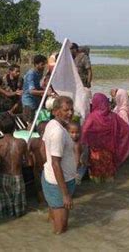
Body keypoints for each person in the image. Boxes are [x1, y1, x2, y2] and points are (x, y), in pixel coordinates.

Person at [41, 96, 76, 234]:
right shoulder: (58, 133)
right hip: (58, 184)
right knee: (61, 229)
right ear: (56, 111)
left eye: (71, 109)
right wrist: (65, 194)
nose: (70, 113)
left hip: (54, 179)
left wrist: (46, 165)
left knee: (55, 219)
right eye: (66, 110)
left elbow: (42, 148)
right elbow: (56, 163)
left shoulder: (52, 124)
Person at [81, 93, 129, 182]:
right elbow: (126, 129)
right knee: (108, 175)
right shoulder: (113, 116)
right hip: (109, 151)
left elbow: (84, 132)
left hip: (96, 152)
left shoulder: (92, 117)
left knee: (96, 176)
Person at [0, 113, 29, 218]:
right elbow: (29, 162)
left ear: (0, 128)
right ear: (15, 127)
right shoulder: (22, 142)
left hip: (3, 177)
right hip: (18, 177)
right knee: (19, 211)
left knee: (4, 212)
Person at [22, 55, 49, 126]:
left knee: (35, 121)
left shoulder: (39, 72)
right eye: (42, 64)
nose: (44, 66)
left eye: (44, 64)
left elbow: (37, 87)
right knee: (30, 123)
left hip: (35, 100)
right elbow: (32, 91)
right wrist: (45, 92)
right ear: (36, 64)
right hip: (28, 101)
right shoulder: (31, 74)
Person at [28, 121, 48, 204]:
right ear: (43, 132)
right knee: (41, 188)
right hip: (42, 170)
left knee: (40, 188)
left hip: (40, 169)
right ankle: (44, 204)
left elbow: (27, 152)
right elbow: (27, 152)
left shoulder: (33, 141)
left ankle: (42, 205)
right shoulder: (35, 141)